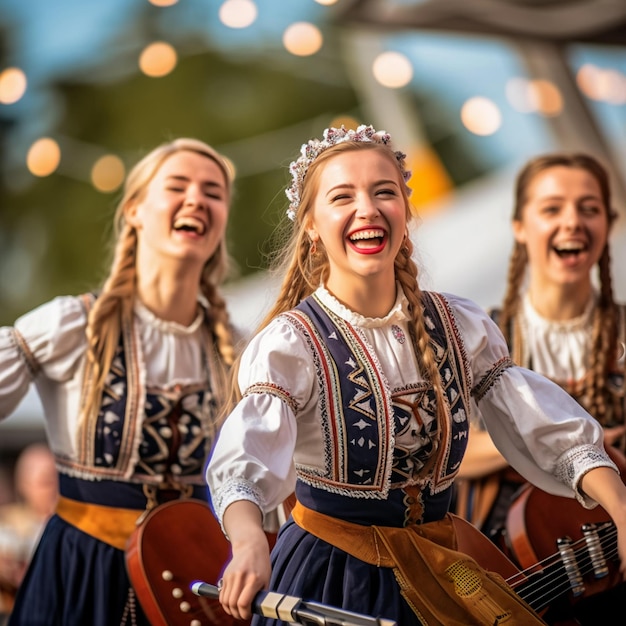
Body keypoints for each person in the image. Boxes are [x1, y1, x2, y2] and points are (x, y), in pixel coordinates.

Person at [205, 125, 626, 626]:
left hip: (448, 559)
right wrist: (250, 540)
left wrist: (621, 509)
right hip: (336, 577)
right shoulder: (291, 344)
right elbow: (244, 462)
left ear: (405, 211)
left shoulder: (459, 324)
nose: (367, 208)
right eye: (343, 197)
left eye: (384, 192)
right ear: (312, 226)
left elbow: (545, 427)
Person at [0, 137, 237, 626]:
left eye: (213, 192)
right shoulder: (71, 326)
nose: (197, 199)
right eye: (178, 185)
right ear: (134, 210)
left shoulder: (238, 346)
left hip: (194, 583)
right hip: (82, 572)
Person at [454, 152, 626, 624]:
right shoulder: (473, 336)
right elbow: (450, 452)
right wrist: (565, 449)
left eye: (588, 208)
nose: (572, 221)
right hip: (517, 562)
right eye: (552, 208)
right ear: (520, 225)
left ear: (608, 223)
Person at [0, 443, 58, 622]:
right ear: (24, 485)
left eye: (60, 480)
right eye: (47, 482)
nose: (56, 489)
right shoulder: (8, 525)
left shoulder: (74, 530)